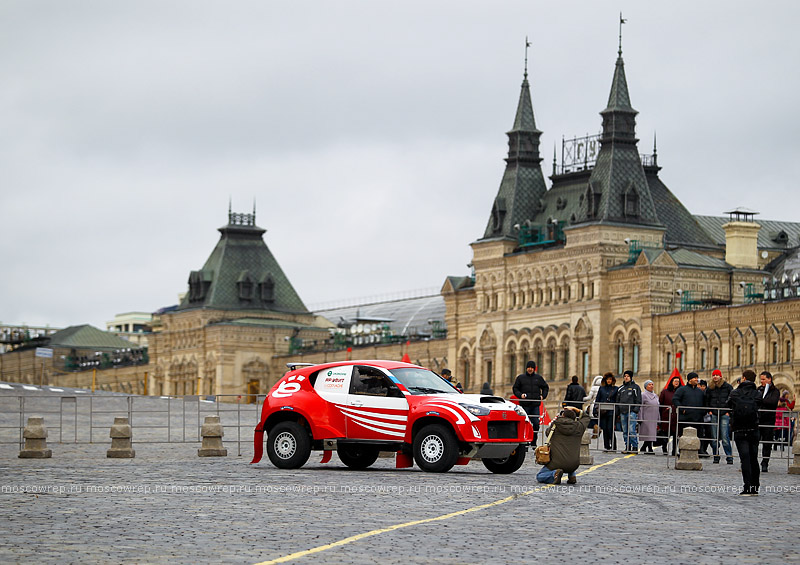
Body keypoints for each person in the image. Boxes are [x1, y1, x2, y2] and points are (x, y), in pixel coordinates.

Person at [727, 369, 763, 496]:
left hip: (739, 429)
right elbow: (760, 405)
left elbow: (727, 405)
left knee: (745, 459)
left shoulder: (735, 392)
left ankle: (747, 486)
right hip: (754, 428)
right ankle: (755, 486)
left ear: (743, 378)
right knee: (754, 458)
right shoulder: (758, 393)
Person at [536, 406, 590, 485]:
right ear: (574, 418)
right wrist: (576, 410)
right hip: (574, 464)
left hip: (556, 463)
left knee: (539, 476)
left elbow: (548, 433)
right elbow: (587, 417)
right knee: (570, 453)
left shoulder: (555, 425)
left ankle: (554, 474)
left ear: (563, 415)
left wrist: (556, 419)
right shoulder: (579, 427)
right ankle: (572, 475)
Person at [512, 361, 549, 445]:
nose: (530, 369)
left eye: (532, 368)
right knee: (525, 423)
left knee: (536, 423)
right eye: (529, 367)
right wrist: (520, 395)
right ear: (526, 368)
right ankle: (524, 441)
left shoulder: (538, 378)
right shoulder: (520, 378)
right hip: (524, 405)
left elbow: (545, 387)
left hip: (535, 405)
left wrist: (543, 396)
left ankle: (533, 441)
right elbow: (515, 389)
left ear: (534, 368)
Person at [673, 372, 707, 456]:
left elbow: (704, 402)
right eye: (695, 378)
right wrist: (682, 409)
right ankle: (680, 451)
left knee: (699, 436)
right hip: (685, 418)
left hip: (698, 419)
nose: (696, 379)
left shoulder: (700, 391)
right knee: (683, 437)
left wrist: (703, 411)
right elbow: (675, 400)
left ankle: (699, 451)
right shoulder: (682, 389)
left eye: (697, 378)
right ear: (690, 380)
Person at [705, 369, 734, 464]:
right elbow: (707, 400)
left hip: (724, 413)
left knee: (725, 436)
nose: (715, 377)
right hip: (713, 413)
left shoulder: (728, 387)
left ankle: (729, 456)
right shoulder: (710, 388)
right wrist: (709, 410)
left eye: (717, 375)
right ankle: (716, 456)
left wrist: (729, 411)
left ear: (720, 376)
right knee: (714, 437)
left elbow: (732, 400)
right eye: (714, 375)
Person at [758, 371, 780, 472]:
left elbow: (772, 402)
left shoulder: (775, 391)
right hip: (758, 419)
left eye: (763, 379)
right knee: (755, 441)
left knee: (767, 443)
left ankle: (765, 462)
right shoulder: (759, 389)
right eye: (761, 379)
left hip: (768, 420)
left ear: (769, 379)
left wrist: (761, 400)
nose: (761, 381)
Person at [616, 370, 642, 452]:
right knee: (625, 431)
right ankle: (627, 446)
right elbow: (617, 400)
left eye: (628, 376)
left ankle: (634, 446)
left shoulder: (636, 387)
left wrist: (635, 411)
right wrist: (618, 411)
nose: (626, 378)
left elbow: (638, 400)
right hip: (622, 412)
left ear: (631, 377)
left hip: (631, 412)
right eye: (625, 376)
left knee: (632, 430)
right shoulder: (620, 388)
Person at [659, 375, 683, 455]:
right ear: (671, 382)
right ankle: (664, 448)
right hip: (667, 416)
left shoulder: (681, 392)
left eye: (678, 381)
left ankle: (674, 450)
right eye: (675, 381)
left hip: (676, 417)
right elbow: (660, 403)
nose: (676, 383)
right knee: (666, 434)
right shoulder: (665, 392)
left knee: (676, 435)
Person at [595, 372, 618, 451]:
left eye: (610, 379)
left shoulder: (615, 389)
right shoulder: (601, 388)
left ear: (612, 380)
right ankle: (607, 445)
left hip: (611, 411)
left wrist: (617, 411)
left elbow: (617, 401)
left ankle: (614, 445)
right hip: (603, 411)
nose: (609, 381)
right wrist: (595, 409)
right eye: (607, 379)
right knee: (604, 428)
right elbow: (597, 399)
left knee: (610, 428)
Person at [638, 379, 659, 454]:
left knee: (652, 433)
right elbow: (641, 407)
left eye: (652, 384)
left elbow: (658, 406)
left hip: (654, 417)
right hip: (646, 416)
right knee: (648, 433)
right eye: (649, 385)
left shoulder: (655, 395)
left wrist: (658, 418)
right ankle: (649, 448)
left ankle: (644, 447)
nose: (651, 386)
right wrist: (640, 417)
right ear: (646, 386)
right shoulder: (643, 395)